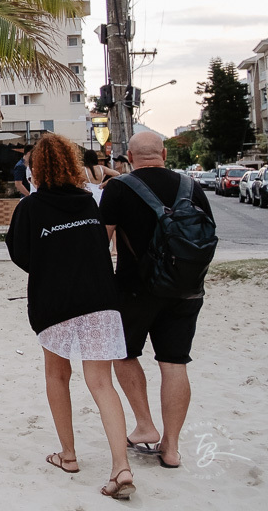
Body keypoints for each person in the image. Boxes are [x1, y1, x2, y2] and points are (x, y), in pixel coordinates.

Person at [8, 133, 135, 500]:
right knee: (101, 383)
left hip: (55, 302)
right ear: (71, 164)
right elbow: (102, 244)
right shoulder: (90, 202)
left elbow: (22, 256)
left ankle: (68, 455)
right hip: (99, 299)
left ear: (35, 169)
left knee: (57, 375)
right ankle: (121, 467)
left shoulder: (30, 208)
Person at [99, 131, 214, 471]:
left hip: (136, 289)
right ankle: (172, 447)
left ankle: (145, 423)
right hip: (186, 289)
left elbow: (101, 244)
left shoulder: (119, 188)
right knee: (174, 362)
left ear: (130, 158)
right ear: (164, 153)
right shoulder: (190, 186)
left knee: (124, 354)